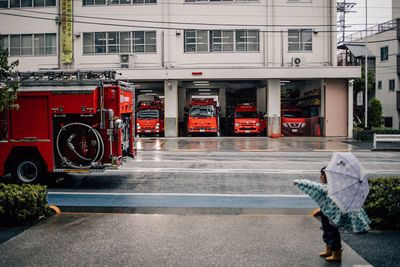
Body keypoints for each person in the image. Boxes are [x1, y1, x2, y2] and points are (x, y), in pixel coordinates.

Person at [318, 166, 342, 262]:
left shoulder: (331, 188)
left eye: (322, 175)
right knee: (326, 230)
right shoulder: (328, 186)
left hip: (331, 214)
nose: (320, 176)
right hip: (326, 212)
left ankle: (336, 253)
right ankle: (329, 249)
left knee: (331, 232)